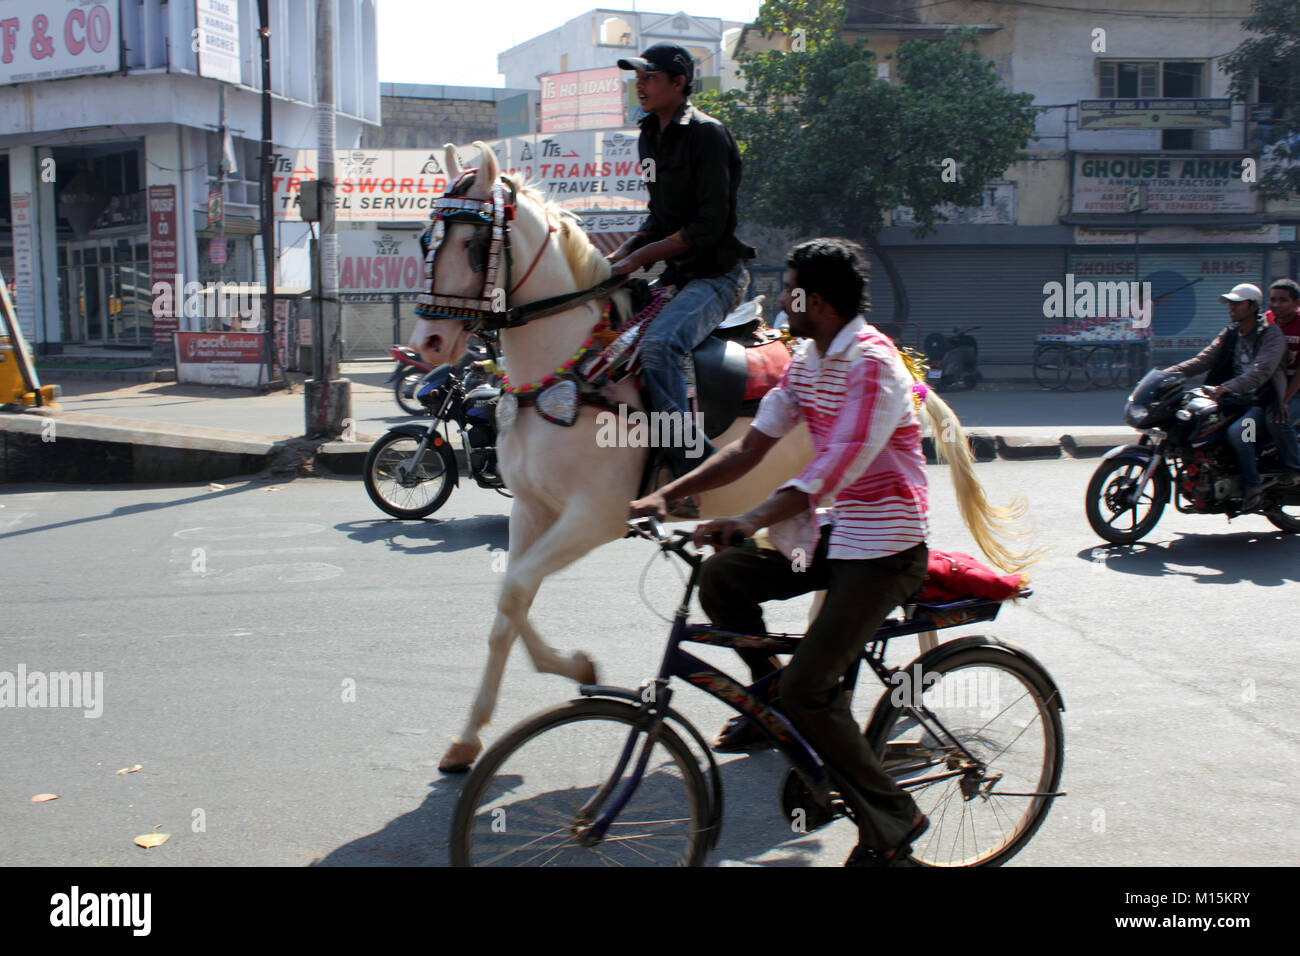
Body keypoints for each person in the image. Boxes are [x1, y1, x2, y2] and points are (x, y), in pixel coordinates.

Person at [629, 239, 930, 867]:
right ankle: (783, 718)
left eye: (789, 288)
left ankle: (892, 823)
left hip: (886, 549)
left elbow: (831, 469)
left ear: (814, 301)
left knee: (808, 690)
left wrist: (749, 517)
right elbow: (750, 449)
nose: (779, 297)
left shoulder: (873, 365)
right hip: (834, 535)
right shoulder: (808, 361)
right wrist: (667, 496)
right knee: (725, 580)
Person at [607, 42, 756, 511]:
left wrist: (638, 258)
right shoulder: (648, 136)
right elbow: (657, 219)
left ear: (678, 83)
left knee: (659, 346)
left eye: (649, 77)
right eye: (638, 78)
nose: (640, 85)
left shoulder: (709, 136)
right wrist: (612, 263)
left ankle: (691, 472)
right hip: (676, 277)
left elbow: (708, 228)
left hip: (717, 277)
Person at [1164, 282, 1289, 511]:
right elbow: (1203, 360)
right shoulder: (1231, 332)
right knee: (1189, 423)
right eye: (1229, 304)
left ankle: (1253, 489)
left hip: (1259, 403)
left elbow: (1261, 371)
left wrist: (1229, 386)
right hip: (1229, 400)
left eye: (1236, 304)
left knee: (1241, 434)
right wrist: (1167, 374)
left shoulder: (1271, 334)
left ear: (1252, 307)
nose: (1231, 308)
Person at [1262, 279, 1300, 482]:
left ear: (1296, 303)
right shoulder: (1266, 321)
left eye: (1283, 300)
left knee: (1277, 418)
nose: (1276, 304)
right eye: (1273, 300)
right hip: (1273, 385)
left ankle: (1294, 468)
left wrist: (1285, 399)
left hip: (1296, 388)